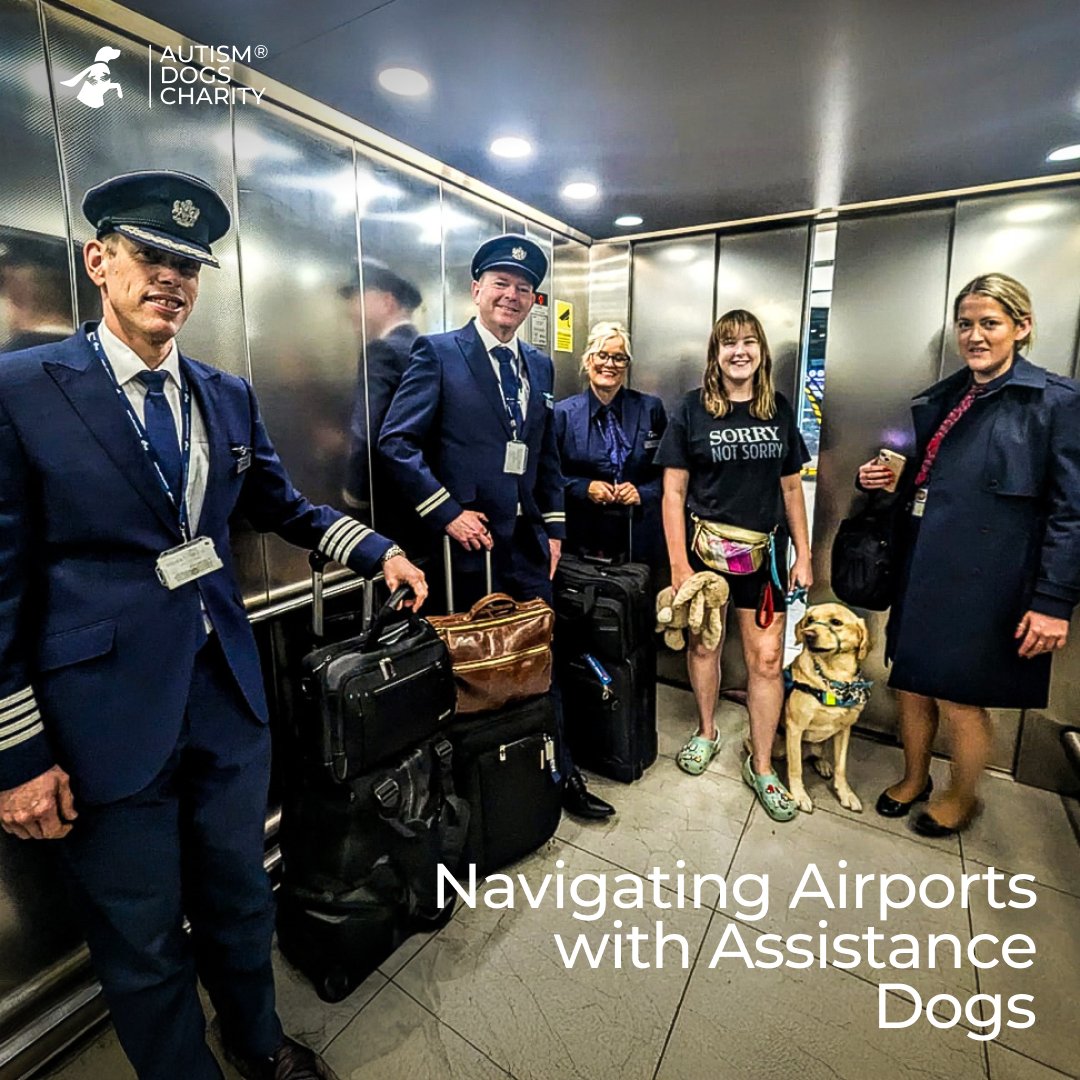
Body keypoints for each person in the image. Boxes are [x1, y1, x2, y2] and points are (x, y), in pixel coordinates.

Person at [0, 171, 427, 1080]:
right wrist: (16, 757)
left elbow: (279, 502)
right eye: (151, 256)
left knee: (239, 892)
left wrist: (374, 549)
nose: (172, 279)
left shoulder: (221, 395)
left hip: (226, 697)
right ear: (98, 261)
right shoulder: (24, 390)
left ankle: (259, 1044)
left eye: (189, 264)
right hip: (102, 718)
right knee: (141, 931)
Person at [379, 234, 615, 821]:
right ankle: (468, 798)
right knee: (465, 668)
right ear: (476, 289)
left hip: (526, 547)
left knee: (539, 656)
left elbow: (545, 455)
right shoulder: (437, 353)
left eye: (524, 288)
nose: (511, 295)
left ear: (534, 301)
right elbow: (396, 443)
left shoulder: (538, 363)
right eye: (501, 283)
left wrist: (555, 529)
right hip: (461, 550)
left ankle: (558, 774)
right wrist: (446, 512)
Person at [857, 272, 1080, 837]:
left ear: (1021, 328)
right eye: (966, 324)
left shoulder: (1054, 402)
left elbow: (1071, 511)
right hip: (924, 566)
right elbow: (951, 482)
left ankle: (962, 795)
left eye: (989, 323)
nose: (975, 335)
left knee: (960, 698)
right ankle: (914, 778)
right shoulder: (954, 395)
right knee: (908, 681)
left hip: (990, 579)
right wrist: (894, 481)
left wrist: (1053, 601)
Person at [656, 309, 812, 821]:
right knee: (705, 646)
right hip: (706, 556)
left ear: (762, 351)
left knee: (766, 661)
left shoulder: (780, 409)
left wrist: (805, 555)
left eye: (749, 342)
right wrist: (679, 565)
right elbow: (673, 490)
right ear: (715, 354)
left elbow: (791, 488)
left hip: (765, 561)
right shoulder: (692, 410)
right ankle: (707, 731)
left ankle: (762, 764)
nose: (739, 351)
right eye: (728, 343)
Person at [553, 322, 667, 570]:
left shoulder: (650, 409)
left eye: (619, 358)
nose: (610, 364)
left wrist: (643, 493)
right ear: (587, 360)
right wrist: (584, 487)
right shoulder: (563, 414)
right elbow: (549, 477)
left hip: (639, 538)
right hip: (581, 541)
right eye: (602, 355)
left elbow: (669, 473)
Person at [341, 259, 423, 541]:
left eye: (357, 298)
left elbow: (366, 431)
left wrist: (354, 497)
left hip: (387, 503)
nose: (351, 310)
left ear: (387, 302)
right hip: (423, 501)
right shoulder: (427, 348)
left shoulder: (382, 351)